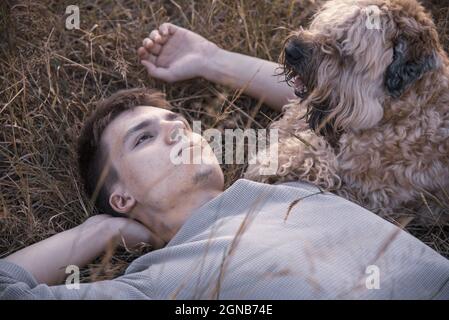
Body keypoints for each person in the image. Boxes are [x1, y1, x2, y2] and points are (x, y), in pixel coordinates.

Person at [0, 24, 448, 300]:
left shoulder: (293, 179)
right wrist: (101, 231)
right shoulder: (157, 284)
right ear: (121, 196)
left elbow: (348, 107)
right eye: (143, 138)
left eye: (177, 120)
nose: (177, 129)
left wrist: (212, 60)